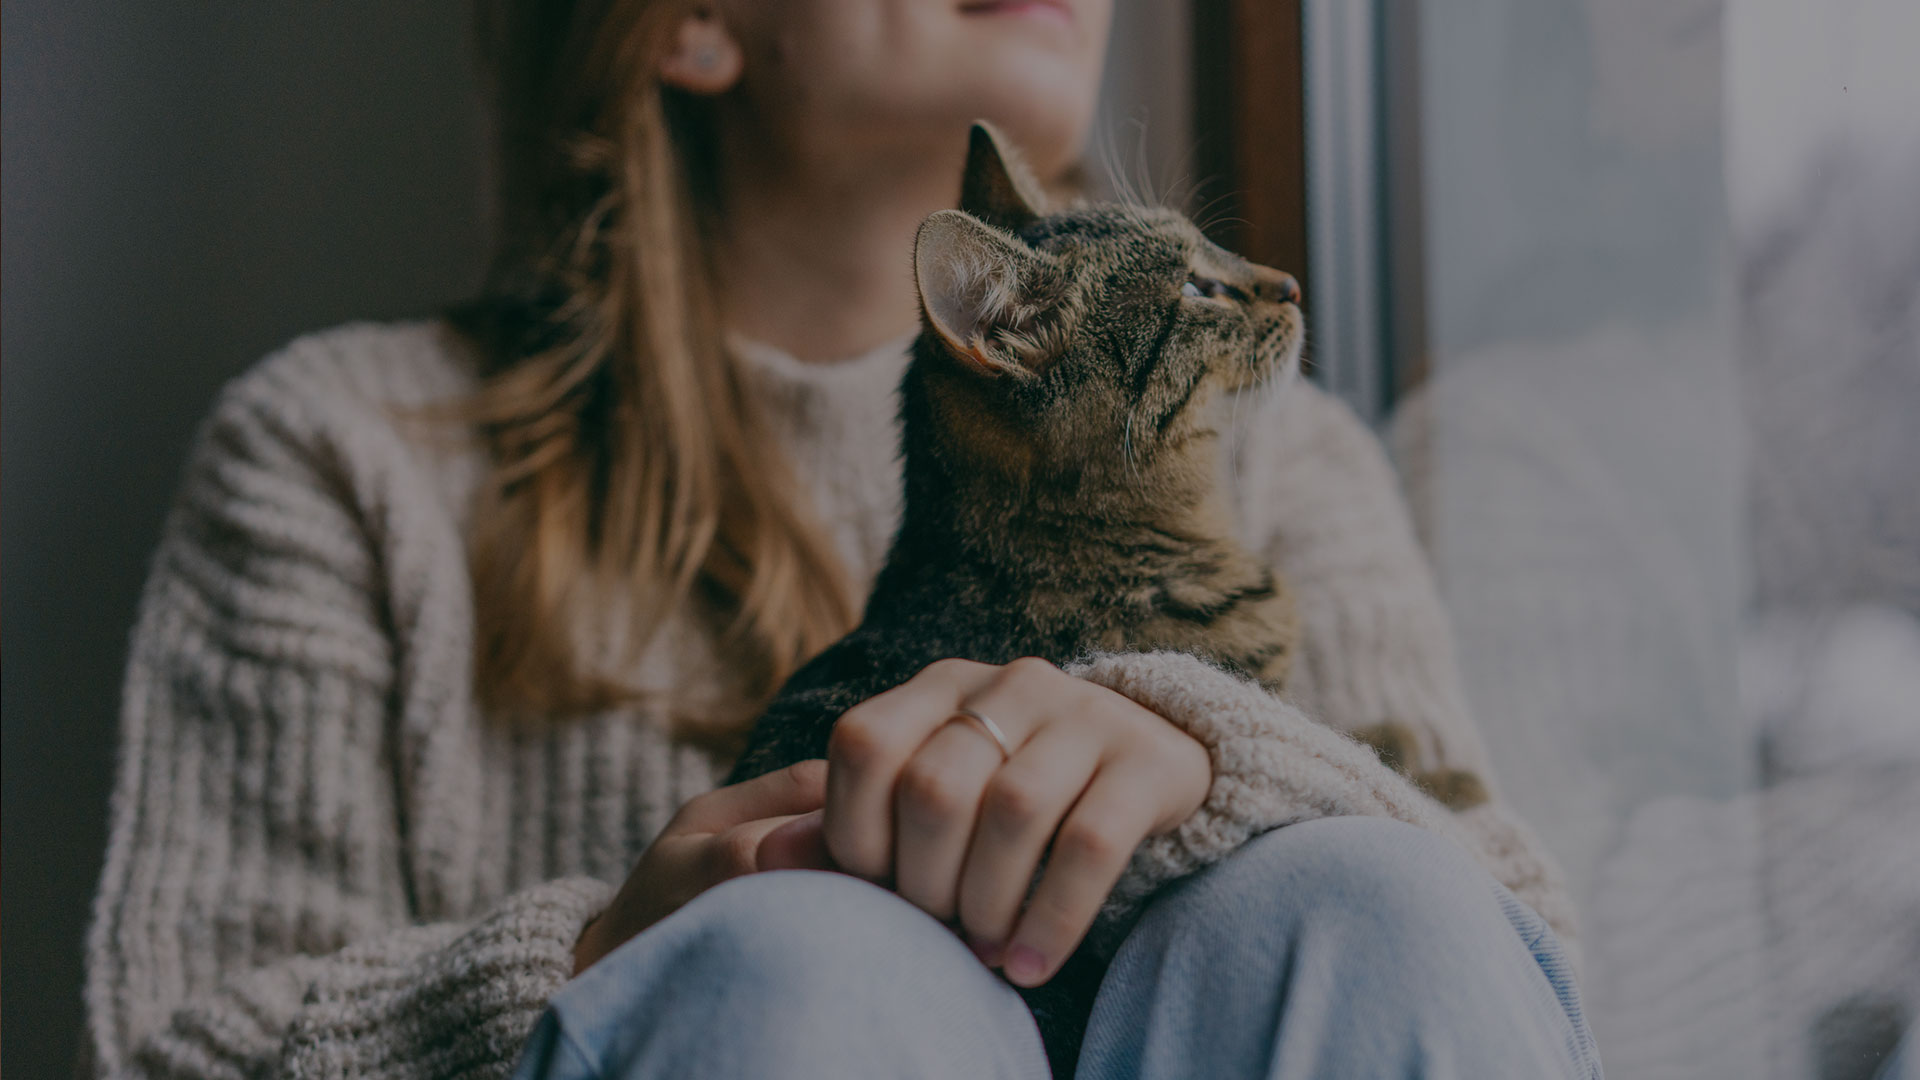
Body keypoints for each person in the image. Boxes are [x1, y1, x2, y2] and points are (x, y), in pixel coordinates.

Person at [82, 1, 1601, 1077]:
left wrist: (1225, 761)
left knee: (1368, 907)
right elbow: (175, 1055)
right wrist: (598, 965)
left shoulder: (1281, 450)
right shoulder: (345, 459)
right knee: (805, 969)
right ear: (688, 19)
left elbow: (1508, 951)